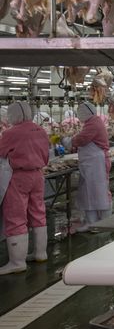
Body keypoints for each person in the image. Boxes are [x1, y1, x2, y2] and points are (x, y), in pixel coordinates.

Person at [0, 102, 50, 274]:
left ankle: (17, 262)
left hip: (19, 177)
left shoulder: (10, 133)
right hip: (37, 175)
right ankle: (40, 253)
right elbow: (46, 154)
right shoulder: (40, 130)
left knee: (15, 216)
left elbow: (2, 153)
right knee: (38, 212)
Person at [73, 102, 112, 232]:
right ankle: (92, 222)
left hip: (97, 164)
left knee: (99, 192)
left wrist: (69, 141)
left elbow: (82, 139)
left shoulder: (94, 123)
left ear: (86, 112)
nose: (79, 115)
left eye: (80, 112)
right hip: (91, 165)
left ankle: (104, 223)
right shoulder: (92, 122)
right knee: (88, 193)